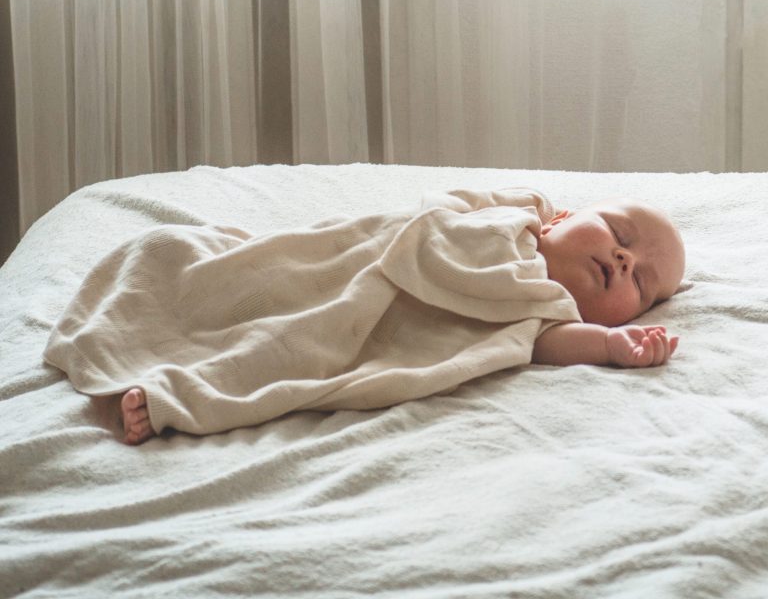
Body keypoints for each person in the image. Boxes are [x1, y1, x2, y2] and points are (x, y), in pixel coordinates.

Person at [45, 188, 684, 445]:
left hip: (370, 328)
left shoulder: (547, 311)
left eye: (644, 283)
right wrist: (437, 228)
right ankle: (162, 308)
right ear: (564, 219)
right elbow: (437, 208)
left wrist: (610, 346)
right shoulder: (520, 212)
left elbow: (552, 346)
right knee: (220, 271)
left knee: (292, 349)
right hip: (352, 264)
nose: (626, 259)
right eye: (622, 233)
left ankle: (170, 394)